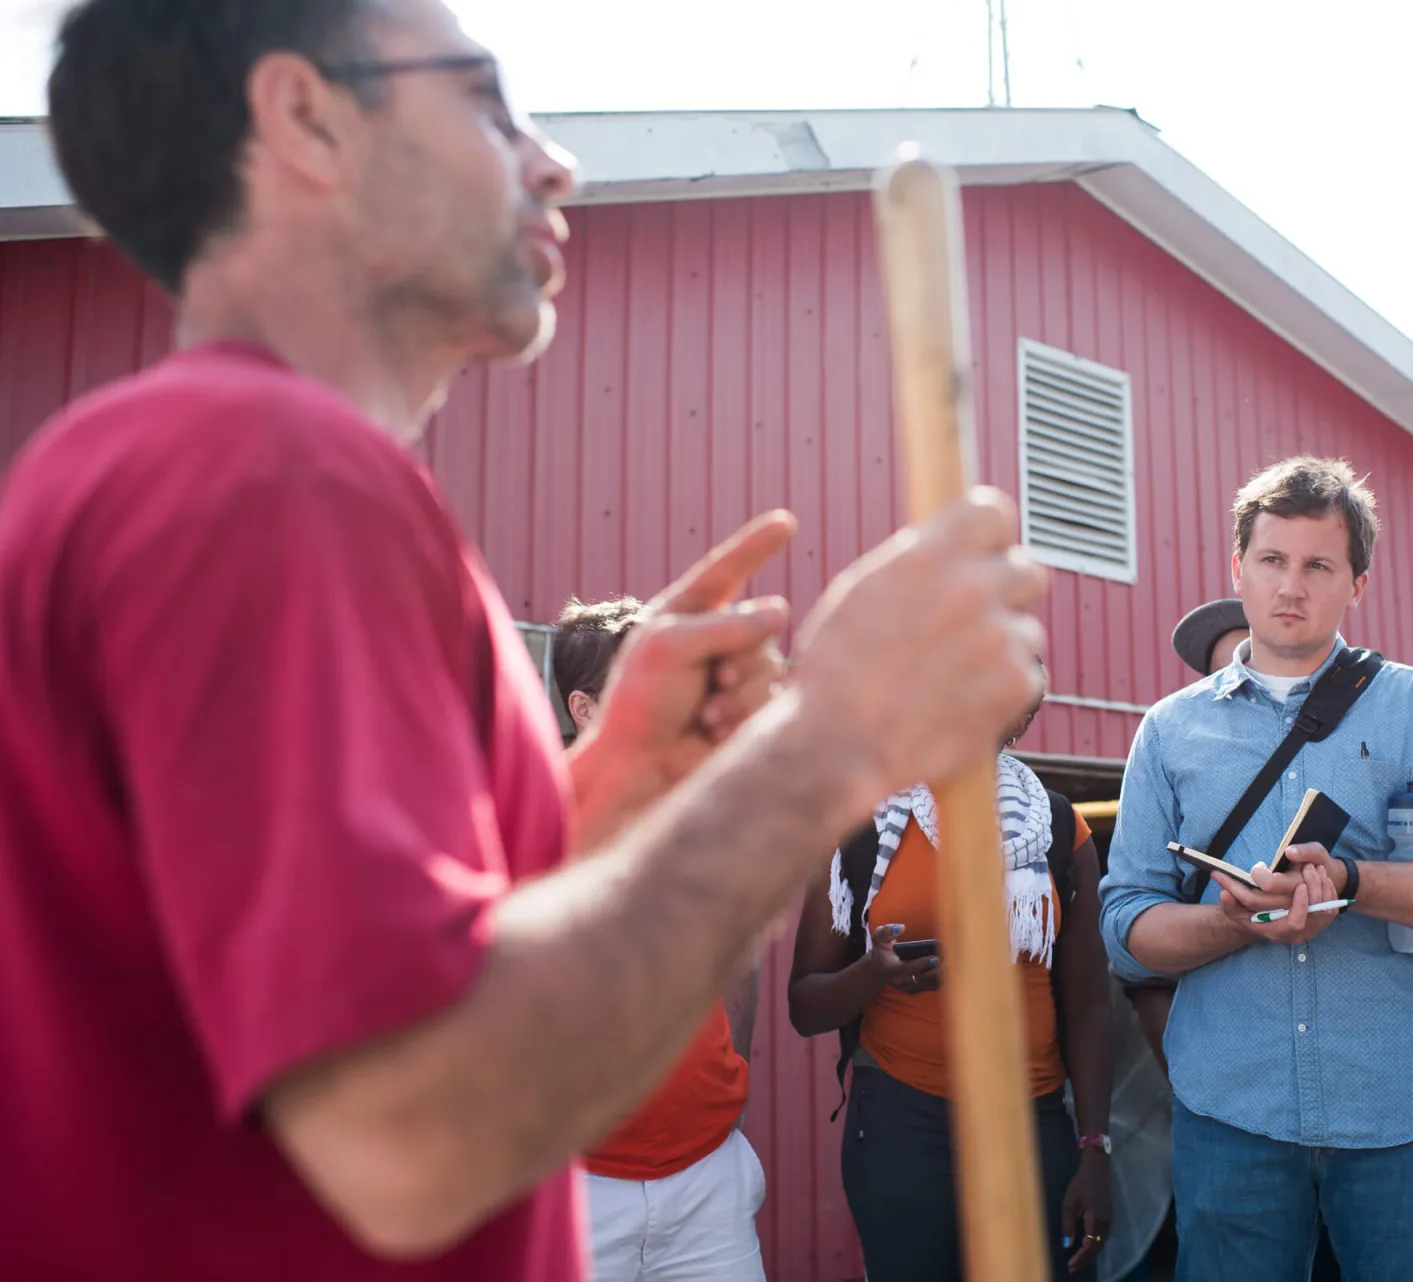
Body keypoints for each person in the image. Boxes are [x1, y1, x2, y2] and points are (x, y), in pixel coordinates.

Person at [0, 3, 1049, 1279]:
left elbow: (375, 951)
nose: (556, 163)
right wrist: (832, 738)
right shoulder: (266, 473)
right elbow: (407, 1127)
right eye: (488, 103)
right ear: (306, 117)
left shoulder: (205, 475)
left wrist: (605, 794)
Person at [1100, 457, 1413, 1282]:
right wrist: (1230, 922)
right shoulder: (1167, 733)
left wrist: (1355, 881)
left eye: (1318, 566)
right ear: (1238, 570)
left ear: (1357, 585)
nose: (1290, 586)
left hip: (1405, 1110)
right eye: (1272, 561)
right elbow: (1126, 931)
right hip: (1231, 1112)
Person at [788, 666, 1114, 1281]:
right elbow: (805, 1005)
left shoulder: (1056, 826)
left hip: (1033, 1121)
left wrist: (1094, 1146)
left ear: (1022, 721)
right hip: (901, 1122)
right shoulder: (859, 822)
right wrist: (873, 974)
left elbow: (1090, 1002)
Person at [553, 598, 768, 1282]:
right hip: (574, 1182)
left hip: (708, 1172)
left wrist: (725, 1083)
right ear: (584, 710)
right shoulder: (530, 812)